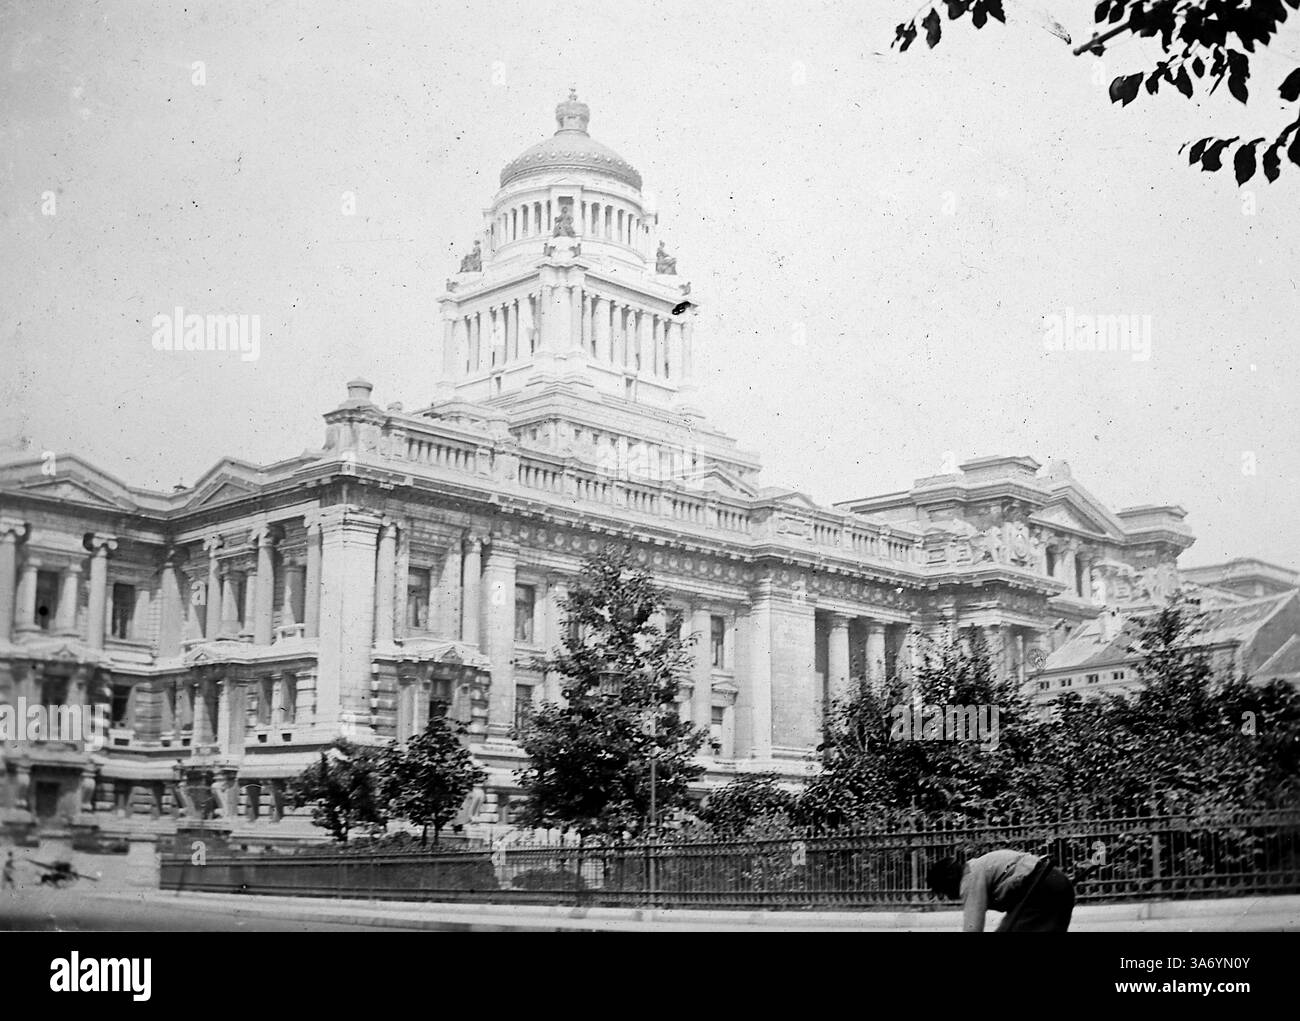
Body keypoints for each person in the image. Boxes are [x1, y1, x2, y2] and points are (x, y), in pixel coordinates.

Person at [927, 849, 1075, 932]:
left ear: (948, 881)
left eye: (943, 892)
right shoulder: (978, 867)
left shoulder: (969, 878)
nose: (946, 897)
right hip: (1056, 882)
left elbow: (973, 929)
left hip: (1040, 888)